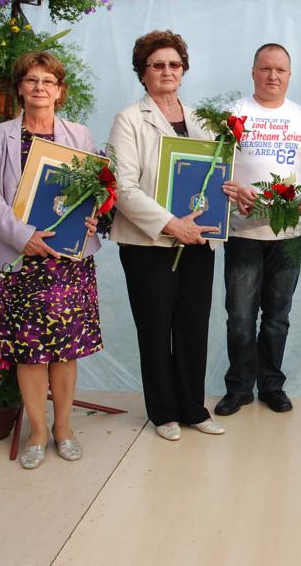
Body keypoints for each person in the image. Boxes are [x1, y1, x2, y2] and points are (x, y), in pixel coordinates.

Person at [0, 51, 103, 469]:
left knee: (65, 349)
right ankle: (37, 431)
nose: (40, 87)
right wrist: (22, 236)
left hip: (68, 259)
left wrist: (94, 215)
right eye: (32, 80)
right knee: (28, 351)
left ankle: (63, 428)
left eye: (48, 81)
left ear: (60, 91)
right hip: (18, 259)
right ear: (20, 89)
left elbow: (97, 189)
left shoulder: (79, 135)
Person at [108, 30, 227, 441]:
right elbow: (123, 188)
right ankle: (162, 412)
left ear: (184, 70)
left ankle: (194, 408)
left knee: (193, 327)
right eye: (157, 64)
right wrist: (171, 224)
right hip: (149, 244)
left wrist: (228, 192)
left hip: (198, 240)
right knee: (156, 328)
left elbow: (215, 177)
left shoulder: (203, 121)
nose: (167, 71)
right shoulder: (129, 119)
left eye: (174, 64)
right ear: (142, 72)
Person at [214, 43, 301, 416]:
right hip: (242, 232)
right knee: (240, 318)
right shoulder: (233, 113)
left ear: (289, 75)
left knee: (277, 317)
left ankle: (272, 386)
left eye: (280, 70)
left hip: (289, 236)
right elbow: (216, 169)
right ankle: (239, 388)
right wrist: (234, 190)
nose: (272, 76)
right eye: (265, 68)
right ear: (253, 72)